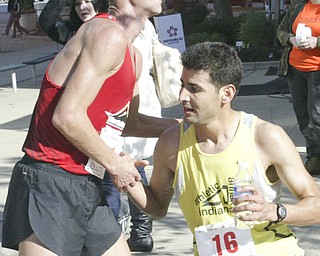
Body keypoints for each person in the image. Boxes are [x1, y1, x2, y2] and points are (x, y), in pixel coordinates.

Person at [1, 0, 179, 255]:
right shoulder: (107, 35)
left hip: (89, 183)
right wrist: (115, 164)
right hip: (51, 180)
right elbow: (67, 116)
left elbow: (129, 122)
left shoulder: (132, 54)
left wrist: (184, 127)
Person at [126, 42, 320, 256]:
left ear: (226, 94)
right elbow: (157, 208)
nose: (182, 96)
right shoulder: (171, 143)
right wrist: (130, 180)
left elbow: (316, 206)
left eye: (194, 89)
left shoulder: (265, 137)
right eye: (182, 85)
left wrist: (273, 211)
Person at [277, 0, 320, 176]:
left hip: (317, 70)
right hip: (295, 69)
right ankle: (314, 157)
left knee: (316, 116)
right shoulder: (298, 5)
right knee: (303, 116)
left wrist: (316, 42)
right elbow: (281, 30)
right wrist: (290, 39)